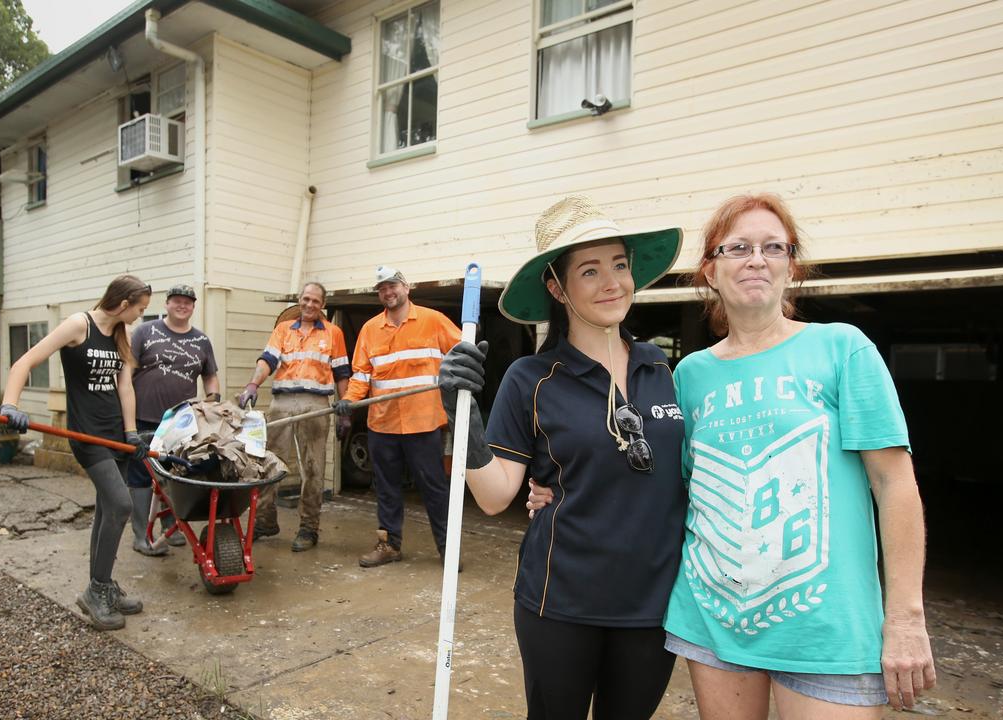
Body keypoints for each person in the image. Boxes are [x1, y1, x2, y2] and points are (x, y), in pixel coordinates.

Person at [529, 193, 937, 717]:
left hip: (826, 629)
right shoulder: (688, 377)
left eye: (774, 247)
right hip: (715, 622)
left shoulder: (843, 349)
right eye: (738, 247)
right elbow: (666, 483)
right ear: (710, 270)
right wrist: (554, 492)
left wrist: (905, 617)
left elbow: (895, 484)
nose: (756, 259)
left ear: (793, 266)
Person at [437, 195, 687, 718]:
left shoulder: (662, 369)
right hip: (560, 601)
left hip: (654, 605)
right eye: (590, 271)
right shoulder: (530, 378)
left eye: (620, 265)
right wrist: (465, 420)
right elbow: (495, 495)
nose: (612, 282)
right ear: (557, 287)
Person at [0, 275, 152, 632]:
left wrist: (130, 432)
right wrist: (10, 404)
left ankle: (105, 586)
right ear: (124, 303)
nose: (141, 317)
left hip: (115, 435)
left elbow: (124, 385)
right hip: (86, 435)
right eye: (140, 310)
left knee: (106, 510)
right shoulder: (78, 325)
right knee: (121, 504)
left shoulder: (121, 334)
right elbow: (24, 362)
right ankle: (96, 590)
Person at [334, 265, 460, 568]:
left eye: (393, 286)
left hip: (424, 422)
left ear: (406, 287)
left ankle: (448, 550)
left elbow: (461, 354)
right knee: (387, 489)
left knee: (434, 489)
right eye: (382, 289)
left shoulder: (433, 321)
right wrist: (349, 401)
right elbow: (362, 374)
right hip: (383, 424)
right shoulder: (370, 329)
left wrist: (459, 379)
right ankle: (389, 545)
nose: (388, 292)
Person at [238, 281, 351, 552]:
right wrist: (253, 383)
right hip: (282, 403)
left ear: (322, 305)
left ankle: (308, 528)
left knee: (313, 468)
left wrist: (347, 406)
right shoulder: (283, 330)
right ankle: (265, 520)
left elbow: (342, 373)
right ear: (299, 301)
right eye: (306, 299)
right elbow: (267, 360)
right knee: (270, 463)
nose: (310, 304)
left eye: (315, 301)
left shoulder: (334, 333)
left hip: (316, 406)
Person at [126, 283, 220, 556]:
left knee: (175, 474)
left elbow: (209, 374)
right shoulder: (145, 331)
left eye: (188, 302)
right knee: (141, 477)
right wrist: (125, 417)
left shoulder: (201, 341)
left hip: (181, 423)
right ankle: (141, 535)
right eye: (176, 300)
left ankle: (172, 522)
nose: (182, 305)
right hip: (144, 419)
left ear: (193, 306)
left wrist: (213, 397)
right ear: (166, 304)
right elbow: (126, 375)